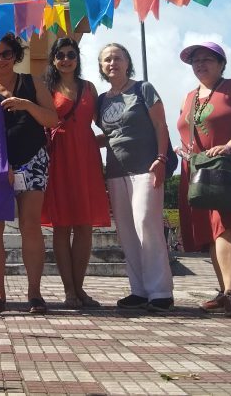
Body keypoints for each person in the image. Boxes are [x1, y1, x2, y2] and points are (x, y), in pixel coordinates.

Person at [0, 32, 59, 314]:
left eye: (6, 53)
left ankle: (34, 292)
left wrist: (27, 105)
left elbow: (52, 119)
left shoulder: (32, 83)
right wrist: (2, 164)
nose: (0, 59)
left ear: (15, 56)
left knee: (30, 225)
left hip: (32, 159)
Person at [177, 42, 231, 318]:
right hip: (198, 169)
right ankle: (223, 290)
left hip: (227, 168)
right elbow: (184, 128)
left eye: (207, 60)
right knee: (209, 232)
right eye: (195, 61)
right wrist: (183, 149)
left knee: (227, 228)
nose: (200, 64)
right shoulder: (189, 96)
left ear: (222, 64)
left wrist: (229, 146)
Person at [95, 43, 174, 312]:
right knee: (127, 231)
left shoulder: (143, 89)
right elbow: (112, 135)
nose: (112, 62)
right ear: (101, 67)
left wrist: (161, 159)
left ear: (127, 62)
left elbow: (160, 125)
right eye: (106, 59)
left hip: (146, 168)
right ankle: (139, 290)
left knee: (146, 224)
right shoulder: (102, 100)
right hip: (116, 172)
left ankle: (161, 291)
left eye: (117, 57)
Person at [41, 37, 110, 309]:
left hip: (86, 160)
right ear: (53, 60)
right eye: (60, 55)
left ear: (78, 58)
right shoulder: (46, 89)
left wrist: (98, 143)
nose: (66, 59)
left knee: (84, 226)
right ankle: (69, 291)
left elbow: (106, 125)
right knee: (61, 226)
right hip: (57, 159)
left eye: (71, 54)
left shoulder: (90, 89)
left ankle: (80, 288)